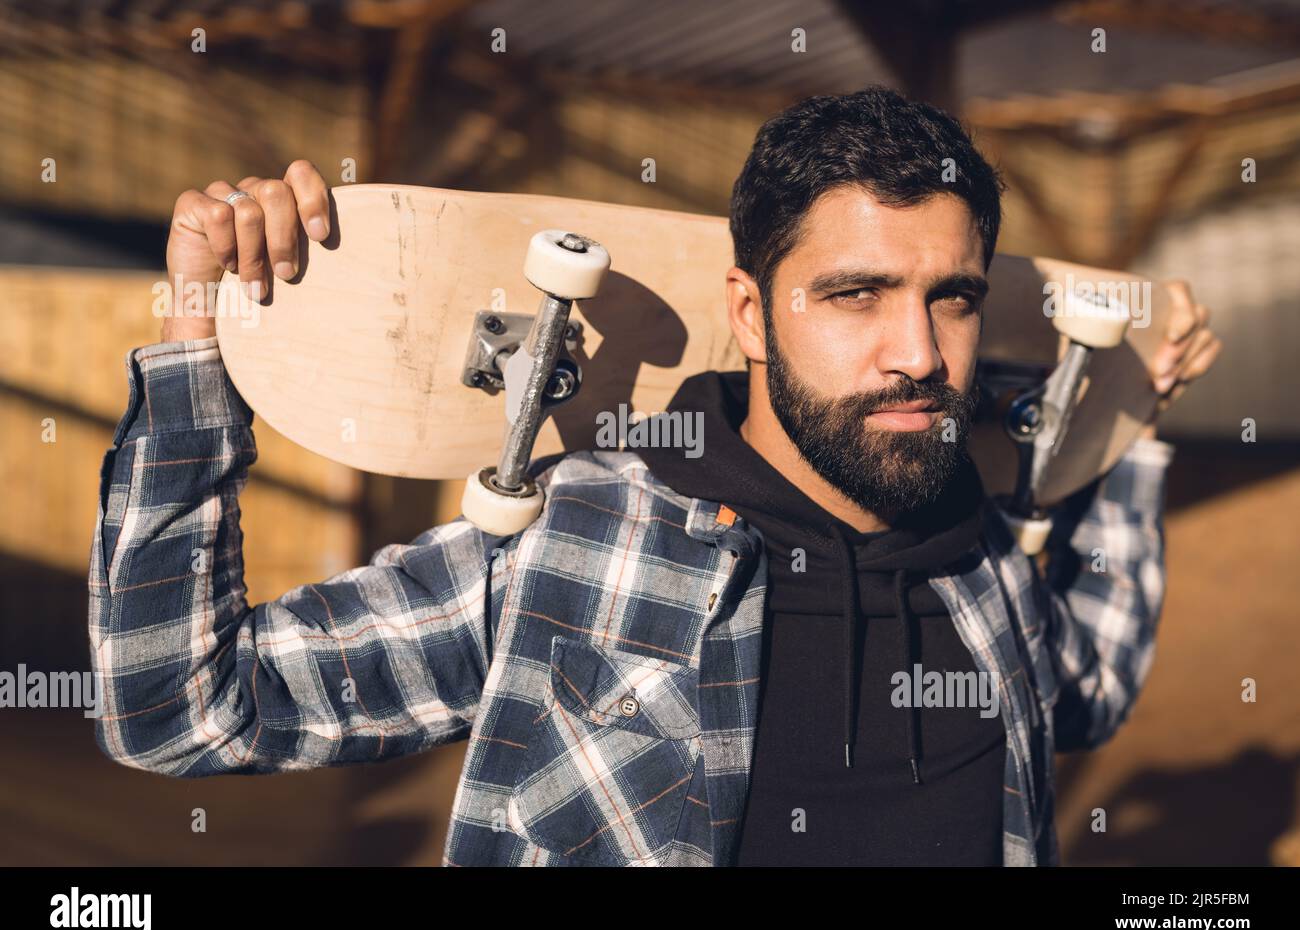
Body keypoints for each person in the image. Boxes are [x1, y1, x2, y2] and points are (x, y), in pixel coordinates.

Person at [88, 86, 1220, 866]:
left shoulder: (980, 564)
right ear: (749, 313)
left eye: (952, 297)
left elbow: (1089, 691)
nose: (918, 353)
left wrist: (1131, 437)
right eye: (854, 294)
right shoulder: (587, 550)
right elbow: (180, 711)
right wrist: (201, 344)